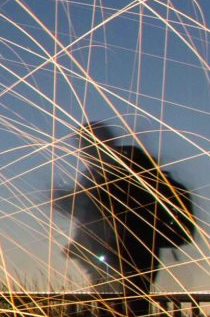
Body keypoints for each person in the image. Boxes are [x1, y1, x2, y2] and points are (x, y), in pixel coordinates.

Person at [52, 121, 196, 302]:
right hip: (117, 252)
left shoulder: (129, 169)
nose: (83, 153)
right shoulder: (98, 173)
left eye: (85, 146)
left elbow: (102, 210)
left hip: (132, 252)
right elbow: (90, 211)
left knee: (125, 307)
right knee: (120, 307)